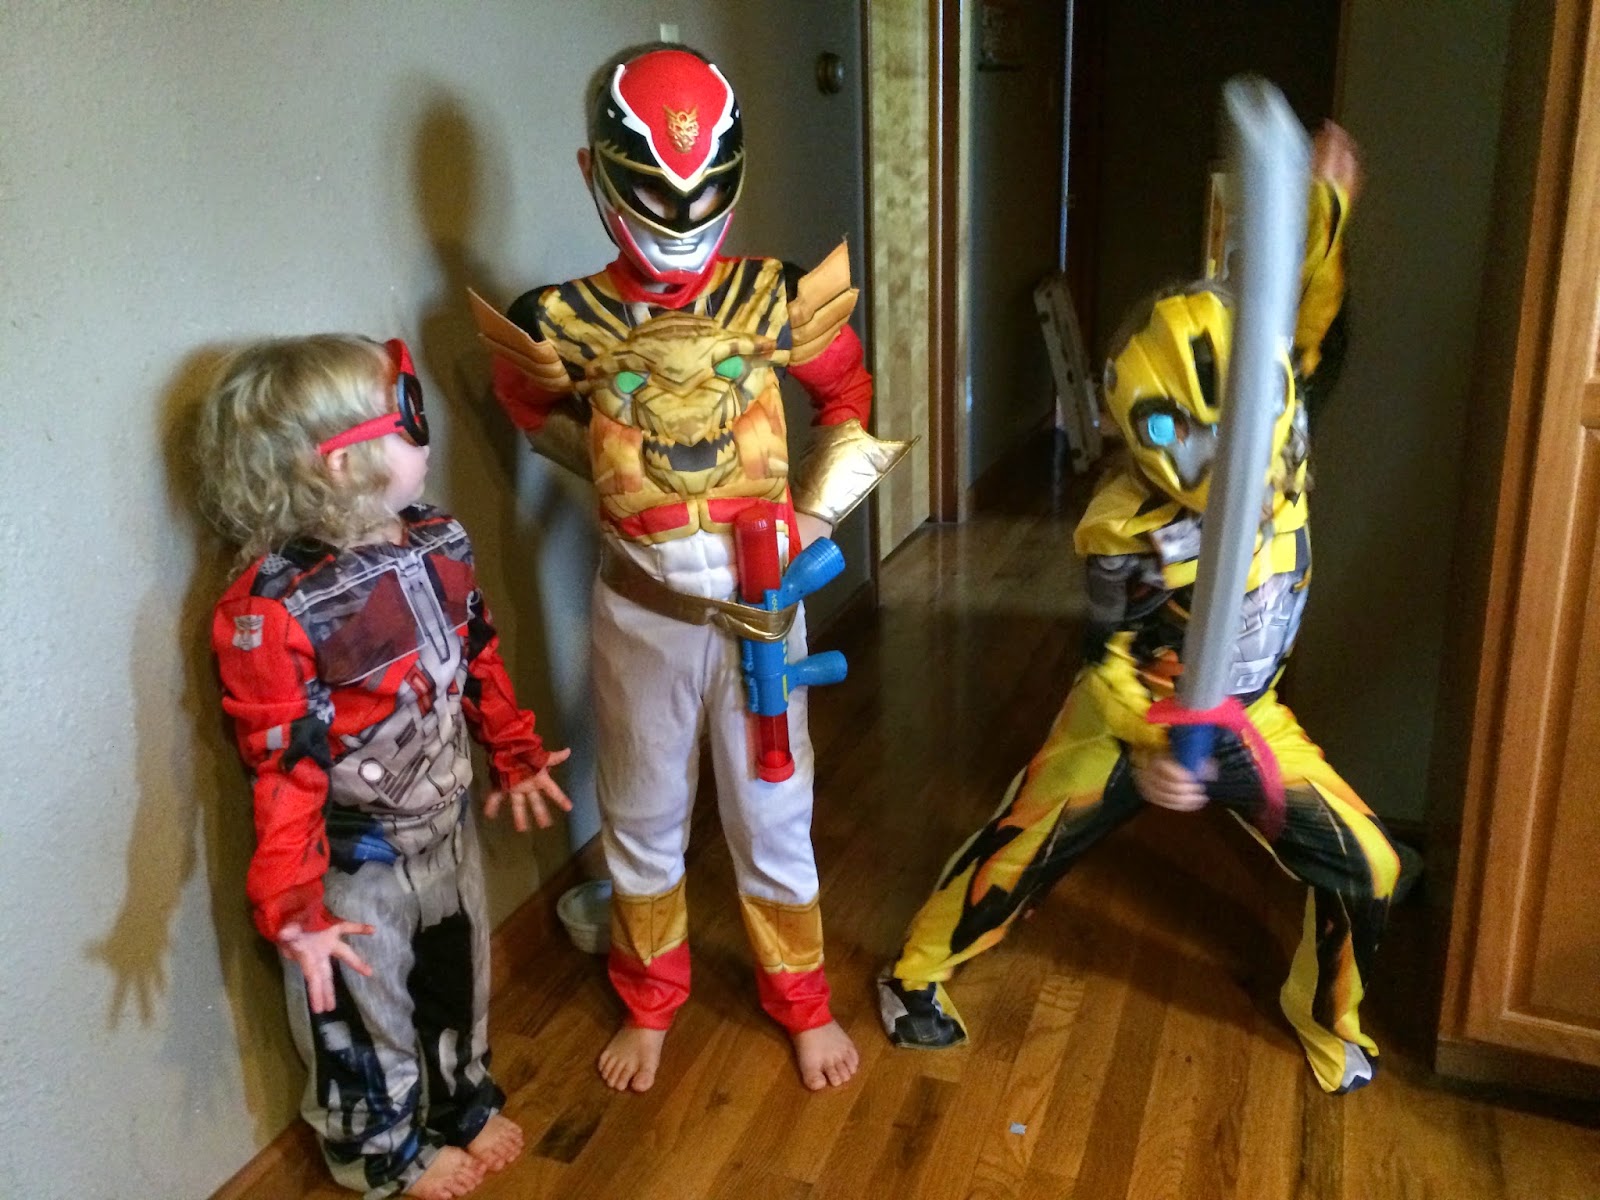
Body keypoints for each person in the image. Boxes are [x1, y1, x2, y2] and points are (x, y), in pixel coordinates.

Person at [878, 125, 1402, 1096]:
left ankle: (1327, 1018)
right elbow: (1106, 652)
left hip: (1251, 715)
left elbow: (1313, 318)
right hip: (1131, 720)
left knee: (1367, 867)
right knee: (1019, 850)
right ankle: (914, 974)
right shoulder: (1124, 527)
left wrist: (1323, 213)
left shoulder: (1285, 417)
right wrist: (1157, 743)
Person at [477, 44, 904, 1094]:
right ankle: (650, 1001)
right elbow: (531, 408)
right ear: (597, 175)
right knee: (641, 814)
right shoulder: (557, 322)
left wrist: (810, 519)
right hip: (644, 615)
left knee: (774, 815)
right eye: (652, 196)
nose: (679, 223)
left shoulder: (774, 296)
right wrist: (618, 480)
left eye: (701, 195)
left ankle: (801, 1001)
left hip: (764, 613)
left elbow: (848, 397)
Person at [201, 334, 572, 1199]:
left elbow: (476, 654)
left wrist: (514, 752)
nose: (425, 429)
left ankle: (460, 1103)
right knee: (369, 1016)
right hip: (354, 859)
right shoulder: (273, 609)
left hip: (447, 825)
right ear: (342, 462)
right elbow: (281, 765)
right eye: (407, 415)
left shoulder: (439, 538)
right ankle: (385, 1151)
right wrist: (292, 906)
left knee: (459, 976)